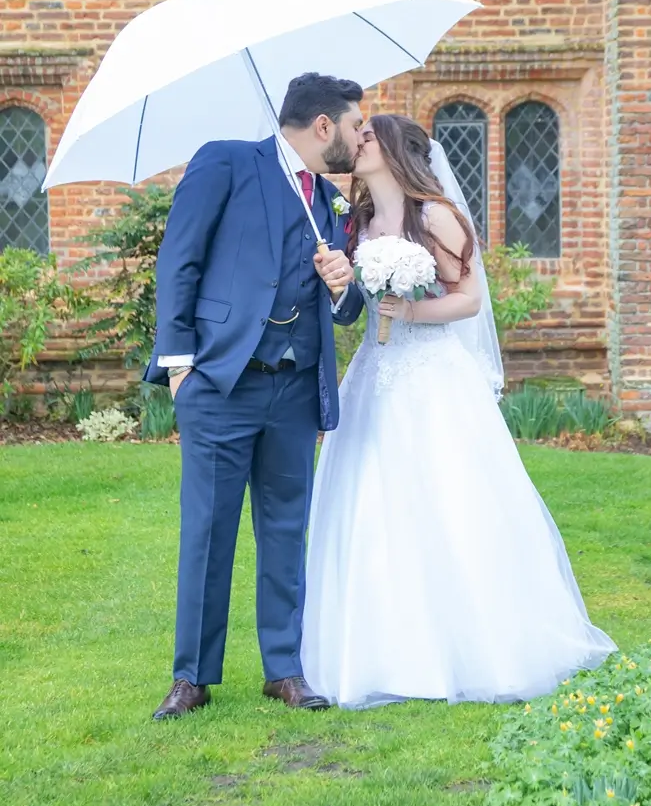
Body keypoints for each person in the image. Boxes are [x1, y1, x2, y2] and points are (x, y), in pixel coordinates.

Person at [301, 114, 616, 709]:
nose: (357, 142)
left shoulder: (436, 215)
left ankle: (473, 644)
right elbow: (352, 305)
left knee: (448, 498)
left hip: (434, 377)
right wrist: (342, 284)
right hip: (375, 374)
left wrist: (409, 311)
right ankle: (386, 648)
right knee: (372, 503)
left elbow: (469, 299)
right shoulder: (358, 222)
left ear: (394, 150)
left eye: (368, 136)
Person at [144, 73, 365, 718]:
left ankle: (285, 671)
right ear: (322, 126)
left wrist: (341, 282)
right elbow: (178, 260)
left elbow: (346, 311)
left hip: (294, 390)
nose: (360, 136)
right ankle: (192, 677)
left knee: (286, 530)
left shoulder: (325, 201)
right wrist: (180, 365)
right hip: (219, 385)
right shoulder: (227, 162)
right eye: (354, 125)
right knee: (208, 532)